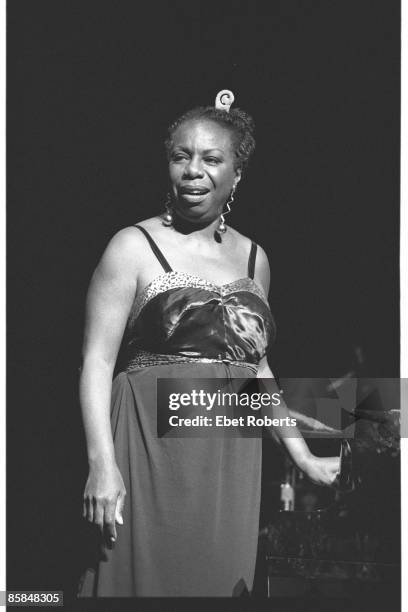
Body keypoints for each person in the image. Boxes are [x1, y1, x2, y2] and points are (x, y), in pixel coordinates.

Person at [77, 91, 340, 597]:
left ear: (236, 174)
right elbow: (96, 361)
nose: (193, 170)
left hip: (228, 456)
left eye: (211, 158)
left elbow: (255, 368)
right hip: (149, 445)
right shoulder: (132, 245)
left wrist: (303, 456)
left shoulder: (254, 258)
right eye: (181, 156)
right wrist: (101, 464)